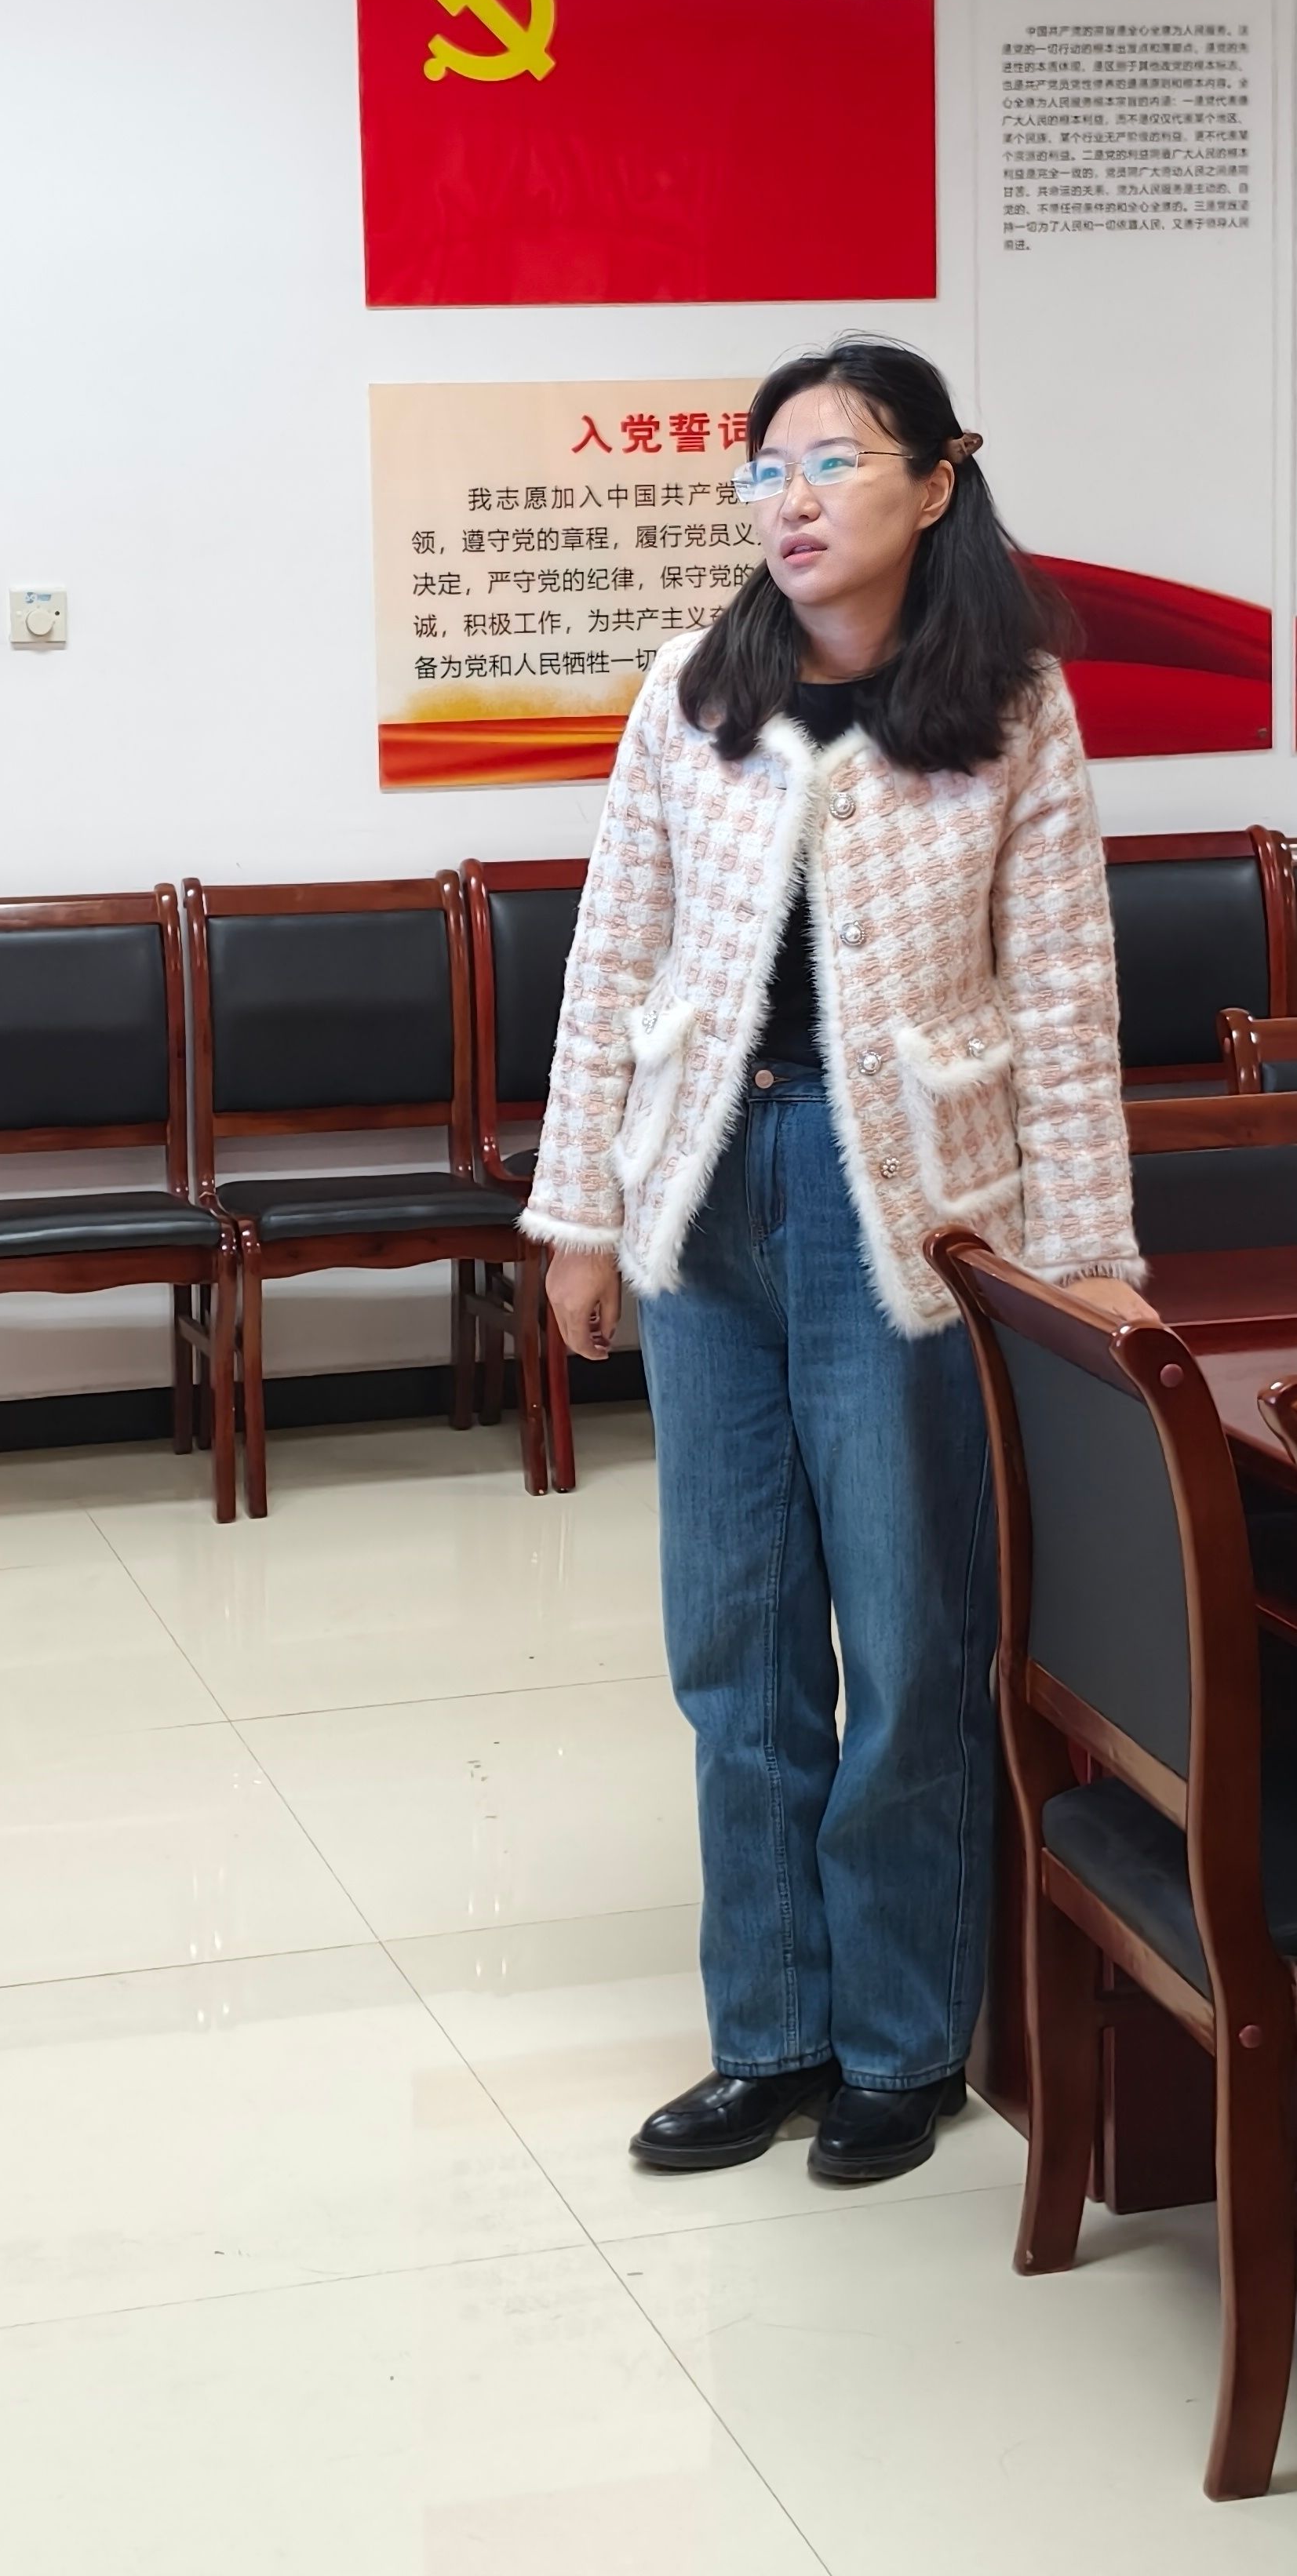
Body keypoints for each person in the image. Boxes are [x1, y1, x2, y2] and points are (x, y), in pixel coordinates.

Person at [521, 337, 1153, 2188]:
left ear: (937, 482)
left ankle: (898, 2040)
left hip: (915, 1222)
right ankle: (770, 2030)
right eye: (766, 470)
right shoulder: (692, 691)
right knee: (733, 1643)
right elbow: (610, 964)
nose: (789, 501)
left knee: (910, 1630)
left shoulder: (1012, 705)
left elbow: (1066, 999)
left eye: (833, 463)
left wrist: (1090, 1261)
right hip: (705, 1196)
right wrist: (577, 1219)